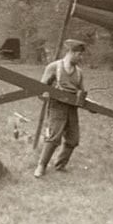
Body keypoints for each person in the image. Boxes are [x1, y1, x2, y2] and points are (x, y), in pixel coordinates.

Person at [34, 39, 86, 178]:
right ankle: (41, 166)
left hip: (72, 109)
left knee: (73, 139)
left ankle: (60, 165)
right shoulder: (54, 67)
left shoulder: (79, 72)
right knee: (54, 137)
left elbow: (82, 92)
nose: (81, 58)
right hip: (57, 107)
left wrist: (86, 102)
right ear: (71, 52)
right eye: (79, 54)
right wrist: (44, 95)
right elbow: (41, 88)